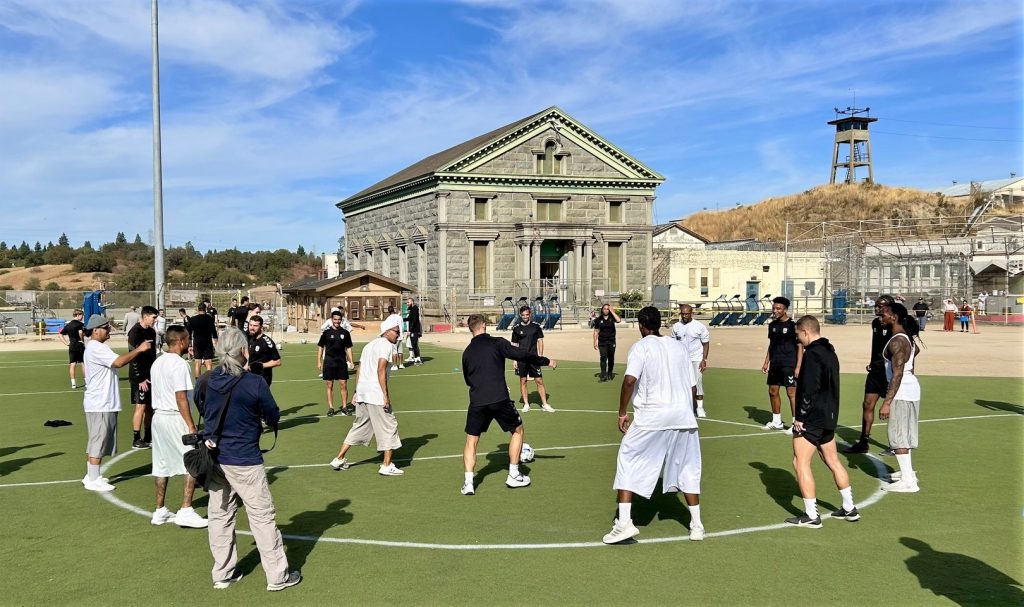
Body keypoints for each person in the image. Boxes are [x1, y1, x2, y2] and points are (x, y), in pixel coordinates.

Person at [200, 328, 301, 592]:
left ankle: (222, 572)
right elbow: (273, 415)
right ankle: (277, 576)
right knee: (261, 516)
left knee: (220, 515)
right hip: (244, 458)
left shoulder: (208, 379)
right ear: (244, 351)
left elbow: (200, 404)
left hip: (215, 456)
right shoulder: (254, 383)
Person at [603, 306, 704, 544]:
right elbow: (692, 387)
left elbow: (629, 380)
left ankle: (624, 523)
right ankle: (697, 526)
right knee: (687, 467)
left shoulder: (641, 347)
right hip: (683, 415)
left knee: (627, 458)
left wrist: (622, 413)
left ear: (641, 325)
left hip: (652, 415)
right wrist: (687, 412)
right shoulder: (679, 347)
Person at [459, 313, 557, 495]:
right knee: (518, 430)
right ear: (484, 326)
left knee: (471, 441)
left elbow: (468, 380)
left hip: (477, 401)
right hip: (499, 399)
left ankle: (468, 483)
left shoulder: (467, 353)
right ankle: (513, 474)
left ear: (470, 329)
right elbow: (522, 354)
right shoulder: (497, 343)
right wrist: (545, 361)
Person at [786, 315, 859, 528]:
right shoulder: (830, 351)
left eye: (798, 335)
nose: (798, 339)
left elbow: (809, 388)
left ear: (805, 332)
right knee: (832, 460)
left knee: (800, 462)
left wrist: (800, 417)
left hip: (813, 417)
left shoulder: (812, 354)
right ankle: (849, 508)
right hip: (829, 416)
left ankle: (811, 515)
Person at [80, 315, 152, 492]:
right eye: (105, 328)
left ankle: (91, 474)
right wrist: (139, 349)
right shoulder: (96, 347)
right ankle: (93, 478)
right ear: (95, 330)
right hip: (100, 403)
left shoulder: (96, 347)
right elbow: (119, 362)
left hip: (102, 402)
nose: (108, 330)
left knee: (98, 440)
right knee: (98, 440)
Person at [328, 316, 405, 476]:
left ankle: (339, 458)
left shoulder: (369, 345)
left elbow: (359, 369)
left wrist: (357, 392)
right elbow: (380, 369)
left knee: (360, 425)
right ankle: (386, 465)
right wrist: (385, 395)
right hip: (376, 394)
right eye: (396, 331)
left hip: (363, 392)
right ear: (387, 331)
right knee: (389, 426)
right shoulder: (386, 345)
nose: (398, 335)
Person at [148, 325, 207, 528]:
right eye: (188, 339)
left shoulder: (157, 362)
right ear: (181, 341)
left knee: (161, 463)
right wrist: (191, 425)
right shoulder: (180, 364)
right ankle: (186, 509)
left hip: (158, 418)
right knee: (191, 461)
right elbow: (181, 397)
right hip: (175, 417)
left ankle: (160, 510)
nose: (189, 343)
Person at [878, 302, 922, 493]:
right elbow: (915, 351)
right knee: (903, 434)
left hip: (901, 392)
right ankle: (908, 473)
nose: (881, 317)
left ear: (894, 317)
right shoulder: (906, 338)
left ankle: (908, 482)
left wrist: (887, 403)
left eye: (884, 314)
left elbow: (897, 374)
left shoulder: (897, 341)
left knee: (897, 437)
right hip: (910, 390)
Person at [844, 294, 895, 454]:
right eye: (876, 305)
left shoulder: (897, 324)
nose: (877, 308)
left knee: (893, 408)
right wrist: (873, 362)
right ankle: (863, 441)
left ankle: (895, 444)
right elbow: (877, 347)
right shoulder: (875, 323)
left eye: (880, 306)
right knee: (867, 404)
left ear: (889, 308)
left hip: (890, 372)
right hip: (875, 371)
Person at [761, 296, 802, 432]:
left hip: (789, 364)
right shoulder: (772, 325)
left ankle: (795, 424)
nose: (775, 310)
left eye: (778, 308)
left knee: (791, 393)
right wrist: (766, 362)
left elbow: (800, 347)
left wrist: (798, 366)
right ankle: (776, 421)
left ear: (785, 310)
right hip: (775, 364)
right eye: (774, 308)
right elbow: (771, 345)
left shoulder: (793, 326)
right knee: (772, 391)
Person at [671, 303, 711, 418]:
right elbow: (673, 343)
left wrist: (704, 360)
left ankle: (699, 407)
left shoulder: (699, 326)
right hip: (681, 360)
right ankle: (682, 406)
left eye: (687, 314)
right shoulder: (676, 326)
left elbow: (706, 343)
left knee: (697, 382)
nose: (684, 316)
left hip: (696, 359)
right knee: (680, 382)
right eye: (682, 314)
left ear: (691, 313)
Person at [512, 306, 554, 412]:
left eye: (527, 314)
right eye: (523, 315)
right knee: (523, 380)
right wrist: (514, 360)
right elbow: (515, 345)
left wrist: (540, 356)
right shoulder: (516, 328)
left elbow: (540, 341)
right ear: (520, 315)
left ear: (530, 314)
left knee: (539, 380)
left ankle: (545, 404)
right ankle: (526, 404)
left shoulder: (536, 326)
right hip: (521, 359)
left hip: (534, 358)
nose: (525, 317)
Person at [128, 306, 159, 449]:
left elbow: (152, 355)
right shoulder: (134, 332)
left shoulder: (151, 332)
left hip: (150, 375)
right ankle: (136, 438)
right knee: (140, 406)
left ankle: (148, 436)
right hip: (138, 377)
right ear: (145, 316)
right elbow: (133, 356)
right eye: (153, 317)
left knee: (149, 407)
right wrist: (140, 378)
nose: (155, 320)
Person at [318, 310, 355, 417]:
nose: (337, 321)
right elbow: (321, 347)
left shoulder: (345, 333)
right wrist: (319, 361)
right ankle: (331, 408)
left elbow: (348, 348)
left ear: (341, 320)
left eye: (339, 320)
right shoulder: (326, 333)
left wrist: (351, 361)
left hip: (341, 362)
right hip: (329, 362)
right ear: (331, 320)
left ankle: (344, 407)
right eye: (335, 319)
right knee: (329, 385)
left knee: (343, 384)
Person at [246, 315, 281, 387]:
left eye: (255, 326)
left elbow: (277, 362)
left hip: (262, 380)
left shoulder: (267, 342)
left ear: (261, 327)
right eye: (250, 325)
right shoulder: (250, 337)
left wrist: (261, 365)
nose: (252, 328)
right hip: (249, 377)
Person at [189, 302, 219, 378]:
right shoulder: (209, 318)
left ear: (198, 309)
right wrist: (216, 342)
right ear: (205, 309)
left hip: (197, 342)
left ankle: (198, 381)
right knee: (208, 362)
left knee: (197, 362)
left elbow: (189, 333)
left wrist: (189, 345)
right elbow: (214, 331)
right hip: (207, 342)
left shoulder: (193, 319)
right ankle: (208, 380)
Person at [58, 309, 86, 389]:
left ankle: (73, 384)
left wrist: (66, 343)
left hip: (72, 346)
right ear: (78, 315)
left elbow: (60, 334)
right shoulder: (80, 324)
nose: (82, 317)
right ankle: (87, 382)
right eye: (82, 315)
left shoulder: (68, 325)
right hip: (79, 345)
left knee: (72, 364)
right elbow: (80, 333)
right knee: (83, 363)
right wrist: (82, 341)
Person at [592, 303, 621, 382]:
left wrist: (613, 311)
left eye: (608, 309)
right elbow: (596, 332)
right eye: (604, 309)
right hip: (602, 342)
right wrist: (595, 342)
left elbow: (618, 320)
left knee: (611, 358)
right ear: (602, 310)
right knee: (603, 357)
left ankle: (610, 373)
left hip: (611, 341)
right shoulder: (598, 319)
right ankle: (603, 375)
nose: (606, 310)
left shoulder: (612, 317)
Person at [384, 305, 405, 370]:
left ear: (388, 311)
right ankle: (401, 364)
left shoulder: (388, 319)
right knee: (400, 351)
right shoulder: (399, 317)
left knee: (394, 351)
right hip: (400, 336)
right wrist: (402, 334)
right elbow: (402, 326)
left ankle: (395, 365)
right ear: (394, 310)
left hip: (393, 337)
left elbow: (387, 328)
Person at [404, 296, 423, 366]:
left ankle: (418, 358)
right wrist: (401, 319)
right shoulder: (412, 309)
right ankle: (416, 358)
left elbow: (414, 320)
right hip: (412, 330)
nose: (407, 303)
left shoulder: (415, 309)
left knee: (414, 344)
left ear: (412, 302)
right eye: (407, 302)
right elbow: (409, 319)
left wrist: (410, 330)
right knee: (413, 344)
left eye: (408, 302)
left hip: (414, 330)